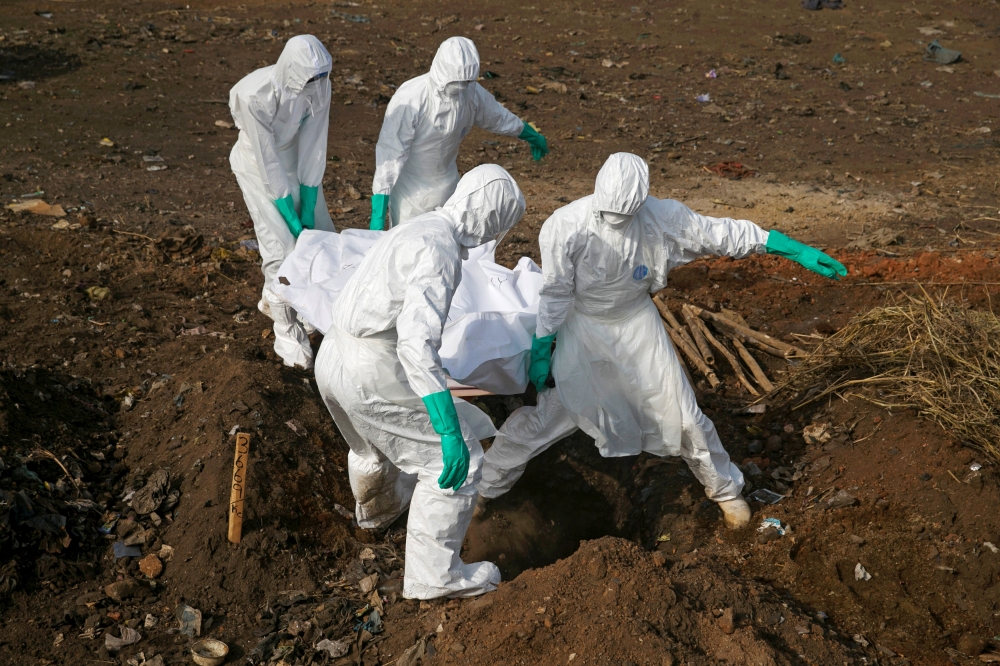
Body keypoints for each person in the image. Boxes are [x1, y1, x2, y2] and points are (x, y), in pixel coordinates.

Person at [479, 153, 846, 528]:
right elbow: (556, 292)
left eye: (624, 217)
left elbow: (720, 233)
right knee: (556, 412)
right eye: (608, 215)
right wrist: (544, 346)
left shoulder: (662, 217)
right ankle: (485, 487)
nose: (616, 224)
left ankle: (726, 493)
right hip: (584, 327)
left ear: (640, 205)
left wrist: (788, 247)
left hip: (637, 325)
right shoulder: (565, 226)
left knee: (684, 415)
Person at [315, 164, 527, 599]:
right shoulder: (440, 251)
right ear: (489, 220)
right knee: (457, 461)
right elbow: (416, 344)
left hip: (333, 353)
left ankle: (375, 517)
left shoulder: (418, 227)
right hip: (370, 367)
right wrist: (448, 427)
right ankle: (434, 576)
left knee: (369, 446)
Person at [229, 35, 335, 370]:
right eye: (309, 78)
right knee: (282, 246)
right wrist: (289, 215)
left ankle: (296, 304)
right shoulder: (254, 95)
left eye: (322, 77)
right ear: (291, 69)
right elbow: (266, 159)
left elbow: (315, 143)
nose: (316, 84)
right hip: (257, 166)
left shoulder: (319, 87)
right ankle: (287, 333)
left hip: (293, 161)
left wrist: (309, 198)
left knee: (322, 237)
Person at [368, 36, 548, 231]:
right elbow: (391, 152)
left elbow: (497, 117)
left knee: (449, 242)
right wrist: (379, 207)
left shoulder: (471, 93)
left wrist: (528, 133)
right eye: (457, 81)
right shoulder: (412, 97)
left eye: (467, 81)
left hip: (451, 187)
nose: (461, 87)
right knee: (410, 244)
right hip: (412, 194)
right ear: (443, 72)